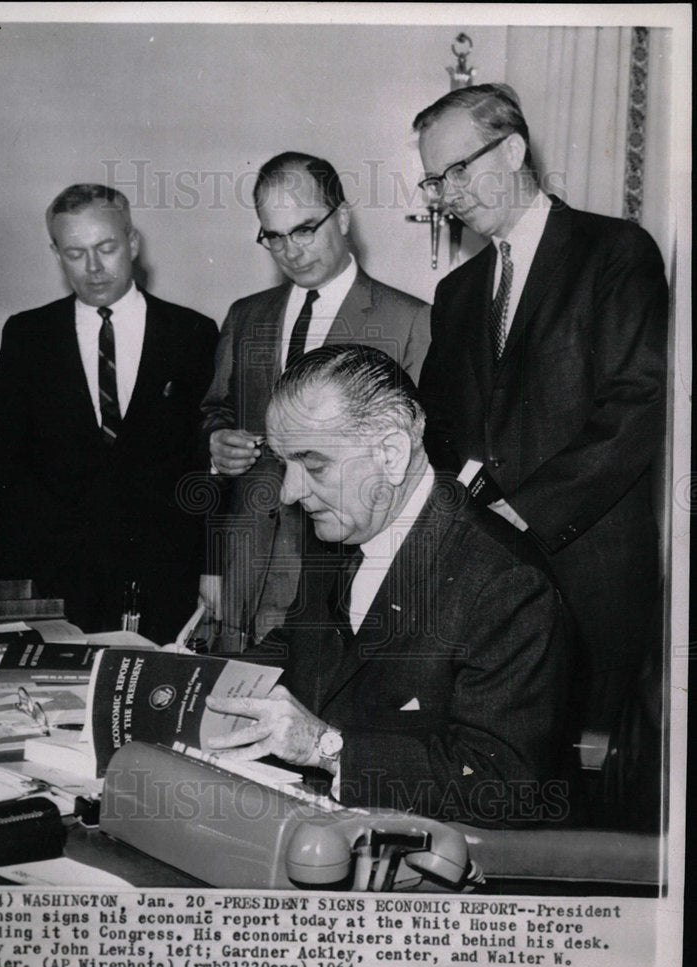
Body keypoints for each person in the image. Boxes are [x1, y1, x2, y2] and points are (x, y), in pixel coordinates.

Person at [206, 345, 570, 825]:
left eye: (313, 466)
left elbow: (502, 784)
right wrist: (189, 679)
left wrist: (325, 748)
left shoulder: (507, 584)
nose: (290, 493)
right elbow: (299, 648)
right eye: (283, 464)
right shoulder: (341, 526)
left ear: (392, 454)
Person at [412, 84, 668, 733]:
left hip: (593, 585)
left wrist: (522, 513)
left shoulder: (613, 252)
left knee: (589, 809)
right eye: (434, 180)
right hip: (489, 595)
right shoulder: (455, 292)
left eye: (458, 169)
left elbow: (636, 405)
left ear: (514, 149)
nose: (447, 193)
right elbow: (439, 431)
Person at [199, 152, 431, 649]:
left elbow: (413, 461)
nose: (291, 250)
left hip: (340, 572)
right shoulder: (246, 316)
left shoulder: (410, 321)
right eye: (274, 236)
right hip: (244, 574)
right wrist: (216, 441)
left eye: (305, 229)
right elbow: (216, 409)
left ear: (342, 217)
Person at [0, 184, 219, 643]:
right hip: (57, 585)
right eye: (75, 253)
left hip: (164, 583)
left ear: (132, 242)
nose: (93, 268)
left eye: (106, 248)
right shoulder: (28, 336)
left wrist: (210, 568)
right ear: (56, 253)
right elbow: (1, 459)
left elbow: (205, 467)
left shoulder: (192, 333)